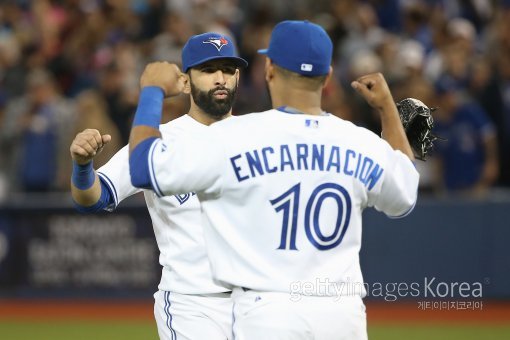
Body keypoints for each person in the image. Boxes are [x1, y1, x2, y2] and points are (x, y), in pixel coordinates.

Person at [128, 20, 419, 339]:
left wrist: (153, 91)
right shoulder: (359, 142)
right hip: (341, 315)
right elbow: (404, 194)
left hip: (268, 312)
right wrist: (388, 108)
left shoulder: (234, 136)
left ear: (268, 69)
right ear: (328, 76)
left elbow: (143, 168)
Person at [69, 32, 247, 340]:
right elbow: (94, 198)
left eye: (228, 69)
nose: (220, 78)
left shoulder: (261, 137)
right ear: (185, 81)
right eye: (208, 69)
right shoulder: (158, 140)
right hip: (192, 305)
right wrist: (83, 166)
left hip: (258, 303)